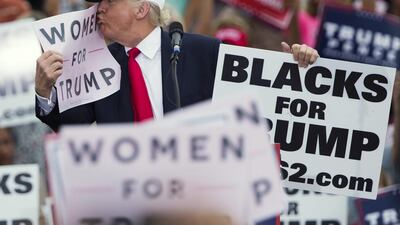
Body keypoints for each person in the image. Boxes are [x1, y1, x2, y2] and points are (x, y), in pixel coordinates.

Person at [35, 0, 319, 132]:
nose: (99, 9)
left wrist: (299, 63)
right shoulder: (96, 65)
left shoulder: (202, 51)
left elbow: (262, 95)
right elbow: (72, 127)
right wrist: (44, 92)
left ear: (141, 9)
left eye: (109, 1)